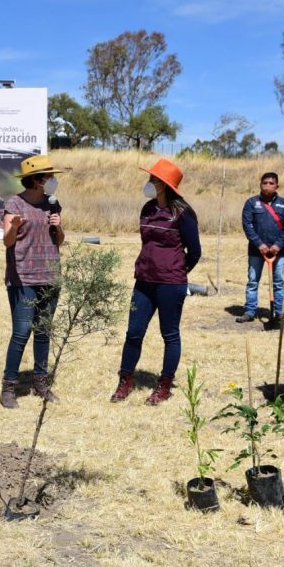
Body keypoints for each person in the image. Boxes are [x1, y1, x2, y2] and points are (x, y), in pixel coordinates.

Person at [111, 159, 201, 405]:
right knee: (134, 332)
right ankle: (125, 380)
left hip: (170, 284)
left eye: (153, 178)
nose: (149, 182)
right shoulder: (147, 209)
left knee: (169, 334)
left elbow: (194, 252)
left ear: (164, 184)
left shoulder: (183, 214)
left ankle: (165, 385)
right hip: (144, 281)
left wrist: (175, 271)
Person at [0, 154, 64, 408]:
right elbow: (6, 241)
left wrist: (58, 227)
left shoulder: (53, 204)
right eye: (48, 176)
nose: (52, 180)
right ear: (36, 179)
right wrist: (14, 227)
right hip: (23, 277)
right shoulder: (14, 205)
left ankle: (41, 383)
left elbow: (59, 241)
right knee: (22, 331)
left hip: (50, 275)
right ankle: (9, 387)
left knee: (43, 330)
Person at [237, 172, 284, 325]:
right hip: (256, 251)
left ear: (277, 186)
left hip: (278, 253)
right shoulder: (251, 203)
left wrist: (278, 245)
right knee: (253, 281)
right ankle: (249, 311)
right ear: (260, 184)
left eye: (271, 183)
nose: (267, 185)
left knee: (278, 282)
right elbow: (247, 225)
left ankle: (278, 312)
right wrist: (259, 244)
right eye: (265, 183)